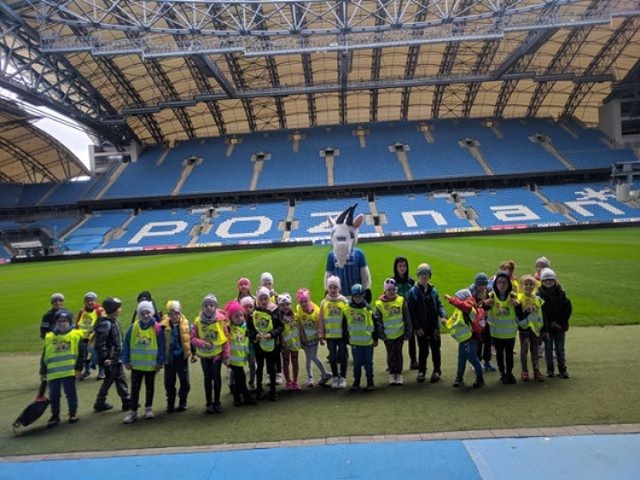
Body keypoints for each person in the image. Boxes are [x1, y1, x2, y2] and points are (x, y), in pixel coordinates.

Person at [122, 301, 165, 423]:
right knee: (135, 389)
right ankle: (133, 411)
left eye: (148, 313)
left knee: (149, 387)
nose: (146, 315)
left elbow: (161, 346)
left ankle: (148, 408)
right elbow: (126, 344)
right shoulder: (134, 327)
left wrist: (159, 362)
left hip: (151, 366)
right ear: (139, 314)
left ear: (152, 313)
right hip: (136, 365)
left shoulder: (157, 328)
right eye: (143, 313)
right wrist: (126, 359)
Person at [406, 263, 447, 384]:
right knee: (423, 350)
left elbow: (439, 305)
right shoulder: (412, 292)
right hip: (421, 328)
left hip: (433, 326)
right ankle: (422, 371)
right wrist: (417, 327)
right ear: (418, 275)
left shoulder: (433, 291)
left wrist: (443, 315)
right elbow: (411, 312)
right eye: (422, 274)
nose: (424, 276)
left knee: (435, 350)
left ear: (429, 276)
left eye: (426, 274)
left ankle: (437, 370)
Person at [43, 309, 84, 427]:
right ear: (56, 322)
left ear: (69, 322)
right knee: (54, 395)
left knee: (70, 393)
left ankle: (73, 412)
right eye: (60, 321)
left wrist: (78, 369)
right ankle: (55, 415)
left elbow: (81, 354)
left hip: (69, 371)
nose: (62, 323)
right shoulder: (49, 337)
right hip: (53, 372)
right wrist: (43, 371)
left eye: (65, 321)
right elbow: (45, 354)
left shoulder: (75, 335)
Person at [191, 294, 230, 413]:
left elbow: (225, 338)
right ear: (202, 307)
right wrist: (202, 343)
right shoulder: (197, 322)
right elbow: (192, 338)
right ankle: (209, 403)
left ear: (215, 307)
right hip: (204, 355)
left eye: (211, 305)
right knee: (207, 378)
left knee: (216, 378)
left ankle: (217, 402)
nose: (209, 308)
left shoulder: (220, 321)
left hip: (216, 355)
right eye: (206, 305)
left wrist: (226, 355)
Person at [93, 297, 131, 412]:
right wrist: (106, 357)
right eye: (119, 308)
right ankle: (102, 401)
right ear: (113, 309)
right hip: (111, 358)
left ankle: (125, 400)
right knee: (113, 379)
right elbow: (101, 343)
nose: (120, 310)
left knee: (117, 378)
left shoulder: (112, 321)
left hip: (115, 357)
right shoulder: (106, 324)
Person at [482, 271, 519, 384]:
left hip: (510, 333)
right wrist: (485, 304)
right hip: (496, 333)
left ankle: (509, 373)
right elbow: (483, 311)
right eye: (499, 282)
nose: (502, 285)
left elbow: (519, 312)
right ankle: (502, 373)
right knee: (499, 355)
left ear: (508, 284)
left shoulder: (513, 296)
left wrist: (518, 305)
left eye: (504, 282)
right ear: (495, 284)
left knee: (509, 355)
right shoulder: (491, 296)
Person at [374, 278, 412, 386]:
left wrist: (408, 331)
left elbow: (406, 317)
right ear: (385, 291)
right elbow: (378, 320)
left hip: (399, 333)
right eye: (389, 290)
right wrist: (381, 334)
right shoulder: (379, 304)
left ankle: (398, 373)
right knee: (390, 354)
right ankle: (392, 373)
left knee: (398, 353)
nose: (392, 292)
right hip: (388, 335)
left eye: (393, 290)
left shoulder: (401, 301)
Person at [444, 290, 485, 388]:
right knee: (461, 359)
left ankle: (480, 378)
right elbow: (453, 322)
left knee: (472, 358)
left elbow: (463, 306)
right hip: (464, 339)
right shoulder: (460, 310)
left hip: (471, 339)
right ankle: (459, 378)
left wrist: (451, 300)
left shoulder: (470, 308)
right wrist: (445, 322)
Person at [344, 284, 381, 391]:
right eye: (356, 297)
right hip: (355, 343)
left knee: (369, 364)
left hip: (368, 343)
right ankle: (356, 381)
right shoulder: (347, 309)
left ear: (363, 296)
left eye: (360, 296)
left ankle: (370, 381)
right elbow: (345, 325)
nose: (358, 299)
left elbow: (374, 324)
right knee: (357, 364)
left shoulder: (368, 309)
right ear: (352, 297)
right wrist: (347, 339)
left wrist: (375, 339)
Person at [249, 287, 283, 400]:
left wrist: (272, 334)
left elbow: (280, 326)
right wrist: (255, 335)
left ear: (269, 298)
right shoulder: (253, 313)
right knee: (259, 368)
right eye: (261, 299)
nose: (263, 301)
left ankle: (273, 391)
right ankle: (259, 389)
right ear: (258, 299)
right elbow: (248, 330)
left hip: (272, 345)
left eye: (266, 299)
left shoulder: (274, 310)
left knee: (271, 368)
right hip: (258, 345)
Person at [538, 268, 572, 379]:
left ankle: (562, 369)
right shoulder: (539, 295)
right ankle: (550, 369)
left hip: (559, 327)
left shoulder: (561, 293)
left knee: (560, 349)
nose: (548, 282)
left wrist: (559, 323)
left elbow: (567, 310)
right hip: (547, 327)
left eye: (551, 280)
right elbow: (541, 313)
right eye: (546, 280)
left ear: (555, 280)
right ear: (542, 281)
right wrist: (546, 327)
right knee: (548, 348)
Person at [295, 288, 331, 387]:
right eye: (301, 302)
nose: (303, 304)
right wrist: (302, 338)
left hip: (314, 338)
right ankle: (310, 378)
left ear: (309, 300)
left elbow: (320, 324)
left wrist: (321, 337)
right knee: (308, 359)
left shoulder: (316, 311)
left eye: (305, 301)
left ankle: (325, 373)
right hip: (305, 339)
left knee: (313, 357)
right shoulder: (299, 309)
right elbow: (300, 326)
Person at [160, 300, 191, 413]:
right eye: (171, 314)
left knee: (185, 382)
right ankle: (170, 402)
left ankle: (183, 401)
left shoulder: (186, 324)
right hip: (169, 359)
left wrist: (194, 353)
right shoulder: (163, 326)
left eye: (176, 313)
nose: (174, 316)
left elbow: (189, 339)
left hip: (181, 358)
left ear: (180, 313)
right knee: (169, 382)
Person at [225, 300, 257, 407]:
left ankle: (237, 397)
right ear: (231, 318)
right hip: (233, 359)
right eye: (236, 316)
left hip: (241, 357)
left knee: (239, 378)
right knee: (241, 378)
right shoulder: (228, 328)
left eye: (241, 315)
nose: (239, 318)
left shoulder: (245, 326)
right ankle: (246, 397)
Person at [318, 276, 348, 389]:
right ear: (327, 288)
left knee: (343, 356)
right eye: (330, 287)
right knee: (333, 357)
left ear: (339, 288)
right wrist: (321, 334)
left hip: (341, 336)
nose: (333, 289)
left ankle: (343, 377)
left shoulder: (344, 301)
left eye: (335, 287)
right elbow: (321, 319)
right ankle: (335, 376)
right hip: (330, 336)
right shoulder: (324, 303)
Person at [515, 275, 545, 382]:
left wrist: (541, 327)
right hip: (524, 329)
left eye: (531, 284)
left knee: (535, 350)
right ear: (521, 286)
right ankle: (524, 371)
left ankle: (536, 370)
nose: (528, 286)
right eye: (526, 284)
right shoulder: (519, 298)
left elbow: (540, 314)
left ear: (535, 285)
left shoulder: (538, 299)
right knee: (524, 350)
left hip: (535, 329)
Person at [393, 256, 417, 370]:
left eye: (404, 266)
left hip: (410, 313)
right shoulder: (392, 282)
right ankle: (393, 360)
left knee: (412, 337)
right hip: (396, 315)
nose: (402, 268)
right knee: (396, 339)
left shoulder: (411, 282)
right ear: (396, 267)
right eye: (400, 266)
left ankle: (413, 360)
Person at [469, 273, 497, 373]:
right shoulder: (472, 294)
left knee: (488, 341)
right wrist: (484, 304)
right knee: (479, 342)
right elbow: (473, 308)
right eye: (480, 285)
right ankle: (477, 361)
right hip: (477, 323)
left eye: (483, 285)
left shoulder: (488, 292)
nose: (482, 287)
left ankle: (487, 362)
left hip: (487, 321)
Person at [259, 272, 282, 385]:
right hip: (264, 330)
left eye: (269, 283)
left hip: (275, 329)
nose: (267, 285)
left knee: (276, 352)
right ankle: (269, 374)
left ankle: (278, 372)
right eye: (265, 283)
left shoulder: (276, 296)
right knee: (267, 353)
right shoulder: (259, 297)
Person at [75, 291, 105, 380]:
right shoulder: (82, 311)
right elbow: (77, 323)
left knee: (98, 354)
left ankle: (101, 372)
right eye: (88, 300)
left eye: (92, 300)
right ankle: (87, 370)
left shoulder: (99, 310)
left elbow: (103, 323)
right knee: (83, 355)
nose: (90, 302)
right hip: (82, 336)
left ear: (95, 301)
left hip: (94, 337)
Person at [278, 293, 302, 391]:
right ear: (279, 306)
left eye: (287, 304)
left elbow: (299, 329)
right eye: (283, 305)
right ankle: (288, 381)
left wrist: (302, 339)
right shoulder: (278, 318)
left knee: (295, 360)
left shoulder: (295, 316)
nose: (285, 307)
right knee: (286, 361)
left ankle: (295, 380)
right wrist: (281, 343)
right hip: (285, 344)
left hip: (295, 343)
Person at [39, 293, 66, 380]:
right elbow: (43, 331)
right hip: (52, 341)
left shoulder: (67, 313)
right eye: (55, 301)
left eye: (60, 301)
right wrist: (50, 338)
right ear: (52, 303)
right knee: (46, 356)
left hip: (65, 340)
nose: (58, 303)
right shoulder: (47, 316)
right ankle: (43, 374)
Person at [240, 296, 257, 390]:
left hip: (251, 345)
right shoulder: (238, 318)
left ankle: (251, 381)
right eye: (245, 307)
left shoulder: (255, 317)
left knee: (252, 364)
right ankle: (235, 384)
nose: (248, 309)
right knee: (239, 365)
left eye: (250, 307)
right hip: (241, 346)